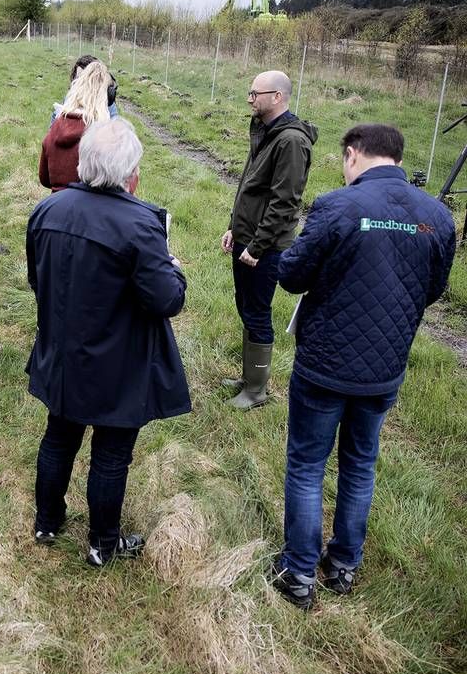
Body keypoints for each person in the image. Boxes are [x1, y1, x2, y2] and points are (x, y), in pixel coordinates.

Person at [270, 124, 456, 610]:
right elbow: (434, 288)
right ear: (397, 158)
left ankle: (299, 573)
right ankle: (344, 564)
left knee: (308, 464)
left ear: (353, 155)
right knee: (360, 463)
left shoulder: (338, 206)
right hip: (385, 366)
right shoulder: (436, 215)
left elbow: (291, 275)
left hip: (325, 363)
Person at [27, 118, 191, 567]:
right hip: (117, 361)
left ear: (83, 162)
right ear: (131, 173)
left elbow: (35, 280)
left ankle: (47, 522)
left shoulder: (47, 211)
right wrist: (173, 269)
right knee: (111, 453)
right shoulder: (140, 224)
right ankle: (102, 543)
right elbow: (166, 300)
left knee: (59, 436)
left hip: (61, 351)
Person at [220, 70, 317, 410]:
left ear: (277, 97)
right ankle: (248, 378)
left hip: (266, 247)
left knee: (258, 311)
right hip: (246, 238)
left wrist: (257, 247)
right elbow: (249, 184)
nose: (250, 99)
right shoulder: (264, 130)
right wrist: (234, 227)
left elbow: (285, 202)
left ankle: (257, 391)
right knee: (245, 305)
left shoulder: (291, 141)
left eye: (255, 93)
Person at [39, 60, 111, 192]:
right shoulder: (103, 136)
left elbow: (44, 178)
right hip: (90, 209)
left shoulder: (56, 127)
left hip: (56, 206)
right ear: (105, 96)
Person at [49, 54, 119, 127]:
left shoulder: (106, 102)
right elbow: (54, 122)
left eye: (83, 80)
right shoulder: (70, 97)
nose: (79, 84)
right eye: (77, 79)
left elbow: (115, 131)